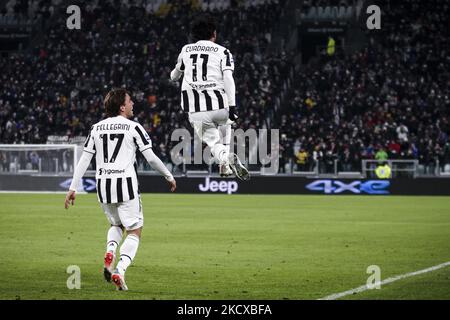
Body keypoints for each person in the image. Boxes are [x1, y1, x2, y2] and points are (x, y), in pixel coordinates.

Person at [64, 88, 176, 291]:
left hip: (104, 185)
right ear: (122, 107)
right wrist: (168, 175)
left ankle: (110, 252)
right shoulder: (133, 127)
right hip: (126, 184)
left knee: (116, 225)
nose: (133, 104)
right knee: (135, 230)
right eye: (130, 101)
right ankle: (120, 270)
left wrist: (73, 187)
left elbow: (85, 158)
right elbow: (150, 158)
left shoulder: (96, 128)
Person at [169, 14, 249, 181]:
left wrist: (175, 73)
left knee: (213, 143)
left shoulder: (186, 50)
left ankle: (225, 160)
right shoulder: (223, 51)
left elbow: (175, 76)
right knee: (226, 123)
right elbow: (228, 79)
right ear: (214, 33)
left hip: (197, 110)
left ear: (194, 35)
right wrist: (233, 106)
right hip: (220, 105)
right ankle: (225, 164)